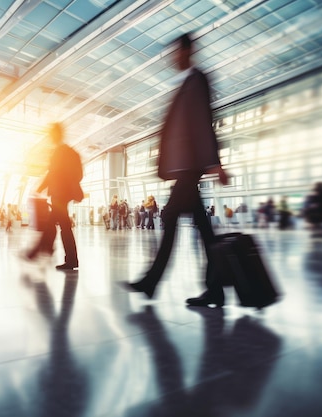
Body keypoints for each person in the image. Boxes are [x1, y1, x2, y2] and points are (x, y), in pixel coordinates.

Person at [123, 33, 229, 306]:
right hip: (185, 168)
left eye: (177, 52)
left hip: (190, 167)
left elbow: (203, 121)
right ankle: (215, 285)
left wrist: (214, 163)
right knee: (202, 229)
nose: (173, 58)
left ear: (188, 51)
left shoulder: (197, 80)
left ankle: (152, 282)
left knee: (171, 218)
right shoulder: (186, 82)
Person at [23, 122, 83, 270]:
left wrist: (41, 187)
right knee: (63, 227)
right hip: (64, 194)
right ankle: (66, 257)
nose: (50, 137)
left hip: (59, 195)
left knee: (53, 224)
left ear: (55, 134)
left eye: (51, 134)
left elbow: (53, 173)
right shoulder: (70, 152)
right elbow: (77, 174)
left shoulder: (60, 152)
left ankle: (38, 252)